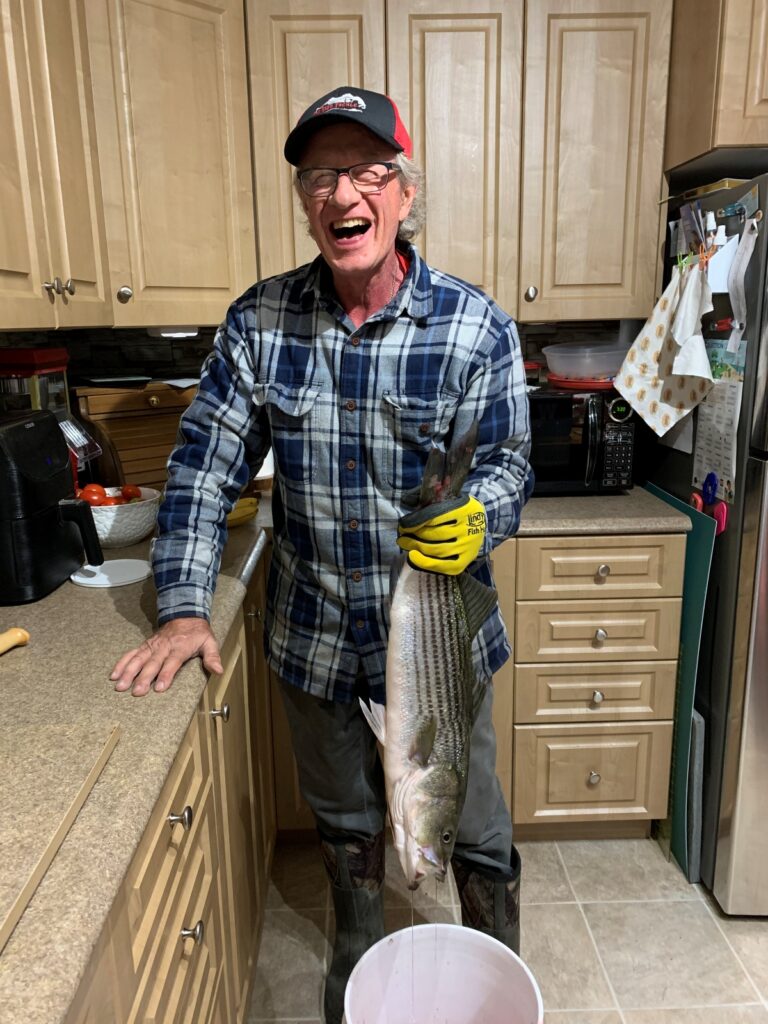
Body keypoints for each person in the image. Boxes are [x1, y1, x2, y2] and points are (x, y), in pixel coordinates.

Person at [111, 86, 533, 1024]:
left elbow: (508, 464)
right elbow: (204, 466)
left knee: (473, 823)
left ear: (404, 191)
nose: (344, 193)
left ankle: (496, 968)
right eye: (321, 175)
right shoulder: (258, 325)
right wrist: (183, 602)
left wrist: (484, 514)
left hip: (443, 648)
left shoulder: (475, 327)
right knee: (346, 821)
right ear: (306, 198)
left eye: (367, 171)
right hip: (314, 643)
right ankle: (356, 939)